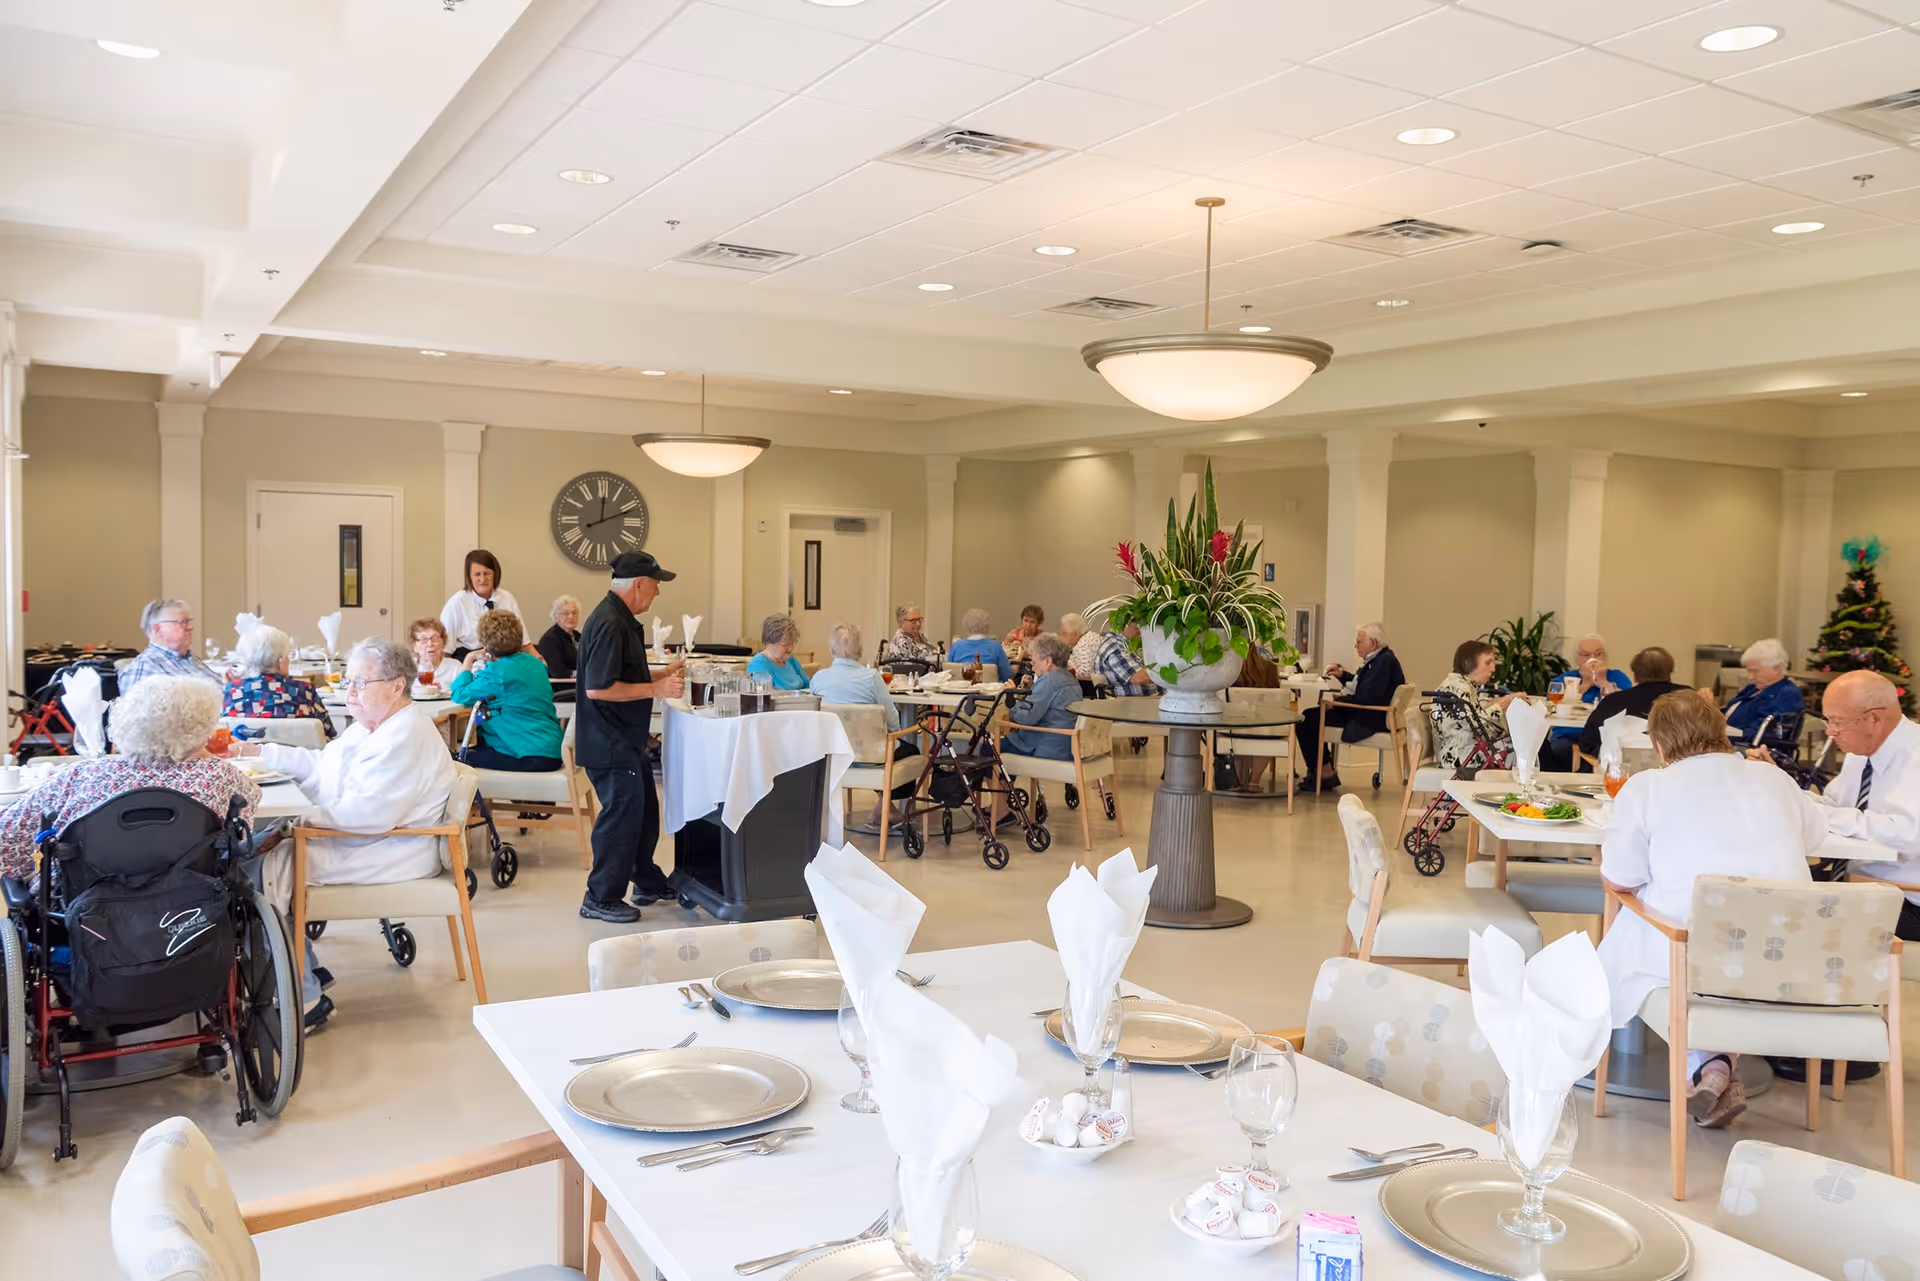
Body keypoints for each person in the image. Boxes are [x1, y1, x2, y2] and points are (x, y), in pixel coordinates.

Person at [1599, 691, 1821, 1129]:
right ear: (1722, 733)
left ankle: (1707, 1067)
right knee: (1718, 947)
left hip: (1695, 954)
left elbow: (1620, 877)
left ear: (1659, 746)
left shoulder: (1648, 786)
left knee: (1644, 927)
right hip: (1790, 955)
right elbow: (1813, 841)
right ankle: (1716, 1068)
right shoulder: (1774, 779)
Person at [244, 636, 458, 1033]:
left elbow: (368, 813)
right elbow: (323, 763)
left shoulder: (405, 734)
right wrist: (260, 752)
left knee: (256, 870)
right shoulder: (373, 726)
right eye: (349, 681)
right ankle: (303, 969)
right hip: (364, 837)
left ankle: (304, 998)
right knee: (255, 853)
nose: (350, 691)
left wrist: (294, 823)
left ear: (396, 685)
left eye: (361, 682)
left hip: (391, 848)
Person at [0, 676, 259, 878]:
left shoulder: (82, 775)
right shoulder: (222, 776)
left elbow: (6, 837)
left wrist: (25, 872)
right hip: (189, 906)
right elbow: (242, 833)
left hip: (87, 908)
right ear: (201, 729)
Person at [574, 551, 684, 923]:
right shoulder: (610, 623)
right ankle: (600, 896)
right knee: (621, 818)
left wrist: (660, 675)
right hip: (609, 741)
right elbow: (599, 688)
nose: (657, 594)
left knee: (642, 813)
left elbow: (625, 675)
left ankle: (647, 881)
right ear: (638, 585)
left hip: (624, 739)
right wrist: (658, 691)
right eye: (655, 586)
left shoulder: (619, 618)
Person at [1809, 671, 1920, 938]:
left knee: (1788, 913)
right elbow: (1836, 804)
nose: (1830, 732)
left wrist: (1826, 814)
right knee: (1771, 885)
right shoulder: (1863, 749)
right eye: (1828, 720)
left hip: (1906, 898)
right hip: (1861, 882)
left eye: (1837, 722)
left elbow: (1907, 837)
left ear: (1874, 718)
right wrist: (1784, 788)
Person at [810, 622, 920, 833]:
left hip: (832, 758)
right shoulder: (871, 678)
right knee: (908, 750)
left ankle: (884, 809)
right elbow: (893, 722)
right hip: (869, 758)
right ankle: (886, 809)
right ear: (860, 651)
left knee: (876, 749)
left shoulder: (818, 678)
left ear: (831, 650)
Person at [1297, 622, 1406, 793]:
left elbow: (1367, 699)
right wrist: (1342, 675)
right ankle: (1324, 771)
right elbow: (1364, 686)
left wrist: (1336, 705)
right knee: (1311, 716)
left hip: (1367, 718)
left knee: (1307, 719)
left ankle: (1324, 774)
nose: (1356, 645)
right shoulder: (1381, 659)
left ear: (1374, 643)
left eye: (1359, 642)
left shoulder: (1382, 663)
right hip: (1369, 713)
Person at [450, 609, 563, 772]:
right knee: (478, 748)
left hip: (526, 754)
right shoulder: (536, 664)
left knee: (458, 759)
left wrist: (469, 658)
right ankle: (530, 797)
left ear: (485, 642)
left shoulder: (497, 673)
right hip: (551, 751)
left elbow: (459, 693)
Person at [1575, 647, 1691, 766]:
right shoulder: (1688, 698)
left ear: (1634, 675)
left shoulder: (1614, 702)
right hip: (1679, 769)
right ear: (1670, 671)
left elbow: (1587, 743)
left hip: (1624, 774)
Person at [222, 623, 336, 739]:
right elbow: (329, 731)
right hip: (296, 756)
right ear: (281, 663)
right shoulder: (304, 692)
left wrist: (231, 688)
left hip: (245, 755)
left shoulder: (232, 692)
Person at [1543, 633, 1631, 770]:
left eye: (1598, 654)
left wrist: (1603, 682)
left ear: (1605, 656)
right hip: (1567, 735)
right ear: (1577, 659)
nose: (1592, 659)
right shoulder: (1566, 679)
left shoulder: (1617, 677)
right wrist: (1586, 683)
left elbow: (1627, 703)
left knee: (1610, 753)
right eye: (1586, 655)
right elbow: (1553, 705)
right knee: (1561, 751)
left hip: (1603, 736)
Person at [1432, 639, 1520, 771]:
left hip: (1466, 749)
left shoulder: (1463, 685)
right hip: (1459, 756)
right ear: (1468, 663)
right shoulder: (1457, 687)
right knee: (1527, 749)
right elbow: (1473, 723)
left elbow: (1473, 718)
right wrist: (1505, 702)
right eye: (1488, 662)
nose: (1493, 668)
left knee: (1525, 746)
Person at [1001, 633, 1078, 761]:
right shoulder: (1071, 679)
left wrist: (1011, 697)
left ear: (1047, 661)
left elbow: (1025, 717)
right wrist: (1030, 689)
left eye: (1035, 662)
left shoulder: (1048, 680)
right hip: (1066, 746)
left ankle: (1001, 781)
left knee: (988, 747)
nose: (1033, 666)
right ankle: (1007, 780)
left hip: (1044, 747)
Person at [120, 599, 223, 693]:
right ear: (157, 629)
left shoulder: (191, 660)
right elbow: (137, 712)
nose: (190, 627)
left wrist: (229, 685)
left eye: (189, 622)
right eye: (183, 622)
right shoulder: (145, 668)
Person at [439, 549, 525, 658]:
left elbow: (524, 642)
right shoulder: (456, 604)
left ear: (495, 574)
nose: (483, 579)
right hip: (471, 662)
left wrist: (541, 663)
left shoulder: (507, 598)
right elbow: (445, 651)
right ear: (469, 577)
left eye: (487, 573)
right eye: (477, 574)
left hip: (506, 660)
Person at [1722, 638, 1804, 746]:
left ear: (1776, 668)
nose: (1750, 677)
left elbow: (1763, 734)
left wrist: (1720, 735)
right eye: (1749, 671)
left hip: (1747, 750)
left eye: (1755, 671)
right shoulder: (1754, 688)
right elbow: (1728, 711)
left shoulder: (1787, 694)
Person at [1230, 646, 1283, 791]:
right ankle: (1254, 781)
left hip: (1233, 731)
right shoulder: (1270, 668)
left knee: (1235, 729)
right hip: (1265, 730)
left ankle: (1238, 780)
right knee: (1266, 729)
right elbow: (1276, 701)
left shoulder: (1229, 671)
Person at [1094, 621, 1156, 697]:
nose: (1140, 630)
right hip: (1130, 704)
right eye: (1137, 627)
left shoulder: (1127, 642)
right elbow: (1138, 678)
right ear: (1126, 625)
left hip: (1145, 701)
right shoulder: (1115, 646)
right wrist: (1168, 673)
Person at [746, 615, 809, 689]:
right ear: (769, 642)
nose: (790, 648)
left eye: (792, 643)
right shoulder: (758, 664)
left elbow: (808, 684)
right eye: (785, 645)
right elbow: (767, 695)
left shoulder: (790, 659)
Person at [949, 609, 1012, 682]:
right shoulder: (995, 646)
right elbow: (1007, 675)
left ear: (966, 626)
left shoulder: (956, 646)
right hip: (990, 691)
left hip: (958, 691)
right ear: (987, 626)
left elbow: (948, 673)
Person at [409, 617, 464, 688]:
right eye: (424, 639)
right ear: (414, 646)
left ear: (443, 642)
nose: (430, 644)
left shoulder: (455, 667)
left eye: (435, 638)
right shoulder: (408, 668)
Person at [537, 595, 582, 678]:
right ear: (556, 617)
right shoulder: (550, 640)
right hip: (562, 686)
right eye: (566, 613)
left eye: (574, 613)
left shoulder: (578, 636)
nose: (571, 616)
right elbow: (557, 672)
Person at [1061, 613, 1101, 685]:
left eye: (1064, 634)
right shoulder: (1090, 636)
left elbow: (1086, 672)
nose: (1062, 637)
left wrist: (1067, 673)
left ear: (1074, 634)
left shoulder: (1083, 644)